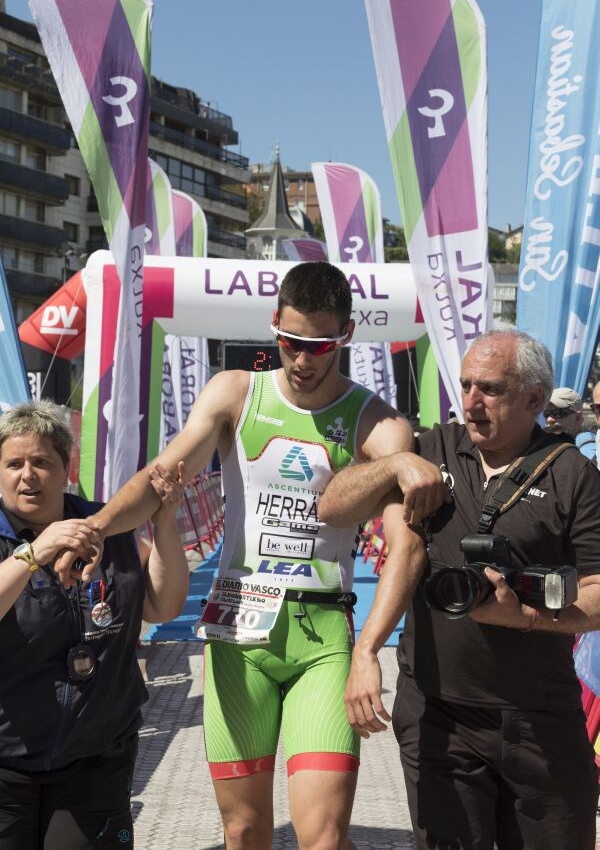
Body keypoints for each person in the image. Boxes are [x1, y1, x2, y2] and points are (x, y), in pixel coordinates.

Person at [57, 261, 447, 849]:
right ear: (274, 326)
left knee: (322, 836)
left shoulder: (376, 421)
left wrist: (369, 648)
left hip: (322, 638)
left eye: (319, 345)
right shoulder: (236, 392)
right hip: (238, 633)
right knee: (243, 831)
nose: (303, 359)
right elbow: (163, 475)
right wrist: (94, 526)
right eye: (290, 342)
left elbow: (407, 542)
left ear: (345, 336)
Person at [318, 330, 600, 850]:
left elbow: (597, 590)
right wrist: (395, 464)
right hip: (438, 713)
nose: (471, 401)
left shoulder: (573, 475)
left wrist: (529, 617)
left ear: (534, 399)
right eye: (466, 384)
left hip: (540, 717)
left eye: (490, 388)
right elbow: (332, 505)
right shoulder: (431, 449)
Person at [0, 400, 188, 849]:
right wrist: (34, 552)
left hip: (95, 760)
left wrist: (164, 527)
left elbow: (163, 607)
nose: (28, 474)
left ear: (67, 469)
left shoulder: (107, 526)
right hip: (6, 767)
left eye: (43, 462)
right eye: (14, 463)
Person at [544, 386, 596, 459]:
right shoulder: (544, 440)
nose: (549, 419)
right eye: (546, 413)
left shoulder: (587, 446)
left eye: (558, 413)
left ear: (577, 417)